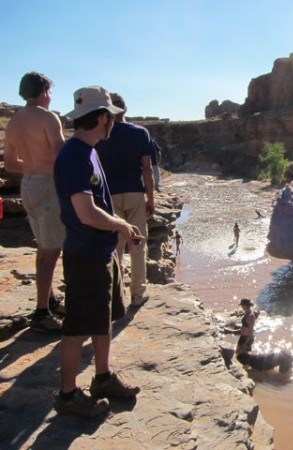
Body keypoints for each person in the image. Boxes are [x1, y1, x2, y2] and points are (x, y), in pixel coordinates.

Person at [53, 85, 144, 418]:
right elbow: (85, 212)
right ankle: (66, 396)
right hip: (86, 255)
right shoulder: (74, 155)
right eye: (112, 119)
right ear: (103, 118)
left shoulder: (88, 149)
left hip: (100, 252)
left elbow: (96, 207)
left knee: (102, 319)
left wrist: (118, 225)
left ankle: (102, 377)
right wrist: (120, 225)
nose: (113, 124)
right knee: (77, 328)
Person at [4, 72, 66, 333]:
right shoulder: (47, 117)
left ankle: (49, 299)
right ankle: (41, 313)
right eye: (50, 92)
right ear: (43, 92)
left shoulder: (14, 121)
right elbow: (63, 156)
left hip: (28, 184)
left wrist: (31, 165)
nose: (50, 97)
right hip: (48, 185)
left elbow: (9, 163)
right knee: (51, 250)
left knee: (43, 245)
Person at [96, 93, 154, 307]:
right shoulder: (140, 133)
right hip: (135, 193)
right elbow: (147, 169)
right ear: (125, 110)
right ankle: (138, 294)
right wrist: (151, 198)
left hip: (109, 196)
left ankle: (115, 294)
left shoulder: (100, 135)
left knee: (115, 246)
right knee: (137, 243)